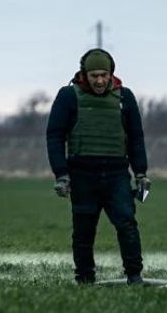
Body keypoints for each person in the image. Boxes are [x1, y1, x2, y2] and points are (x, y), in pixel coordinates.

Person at [45, 48, 148, 285]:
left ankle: (134, 275)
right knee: (83, 229)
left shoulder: (125, 98)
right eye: (94, 76)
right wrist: (61, 174)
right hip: (82, 173)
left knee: (127, 223)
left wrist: (141, 172)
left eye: (104, 75)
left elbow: (136, 138)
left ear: (111, 74)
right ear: (84, 74)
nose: (100, 81)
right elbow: (55, 136)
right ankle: (84, 278)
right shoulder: (68, 96)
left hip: (116, 173)